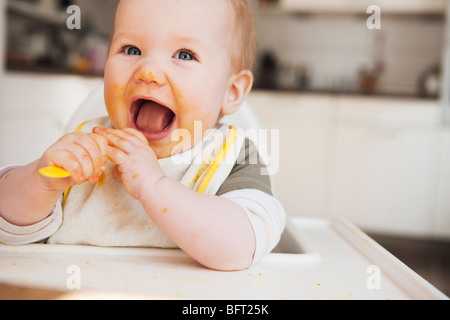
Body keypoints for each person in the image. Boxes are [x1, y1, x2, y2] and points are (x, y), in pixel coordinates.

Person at [0, 0, 285, 271]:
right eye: (131, 49)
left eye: (184, 55)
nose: (148, 71)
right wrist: (39, 183)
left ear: (231, 91)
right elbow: (10, 230)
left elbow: (241, 247)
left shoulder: (232, 156)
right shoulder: (86, 145)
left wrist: (155, 186)